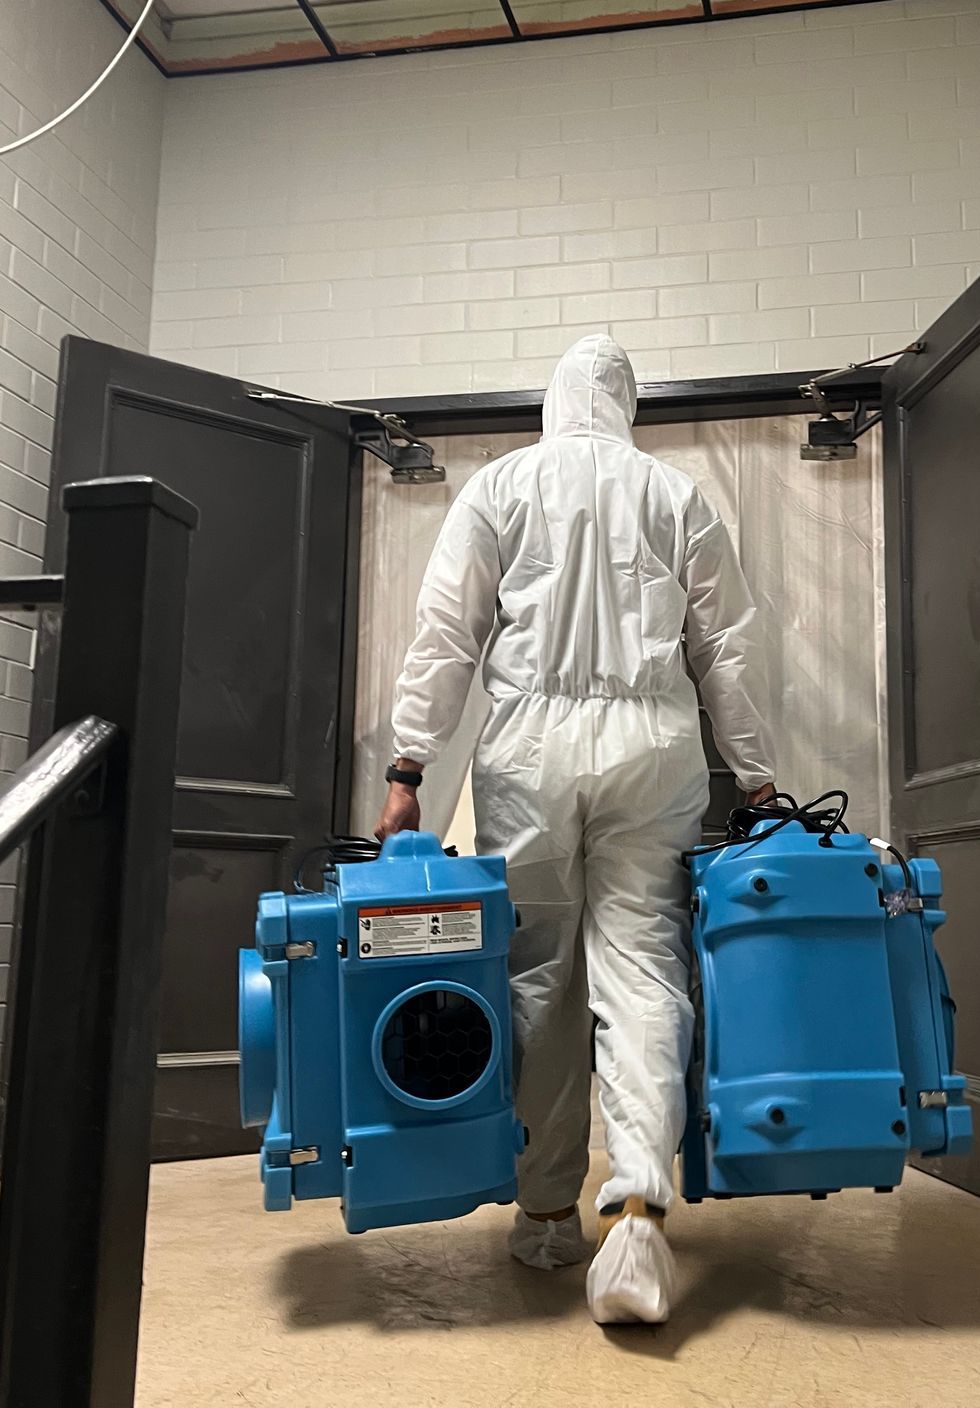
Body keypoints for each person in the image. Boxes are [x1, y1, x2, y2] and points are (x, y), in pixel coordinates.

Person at [376, 335, 775, 1325]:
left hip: (528, 753)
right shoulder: (677, 497)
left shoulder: (501, 484)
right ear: (626, 405)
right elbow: (727, 651)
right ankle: (639, 1209)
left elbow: (445, 633)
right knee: (644, 968)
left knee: (537, 977)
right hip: (654, 748)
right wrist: (762, 782)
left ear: (553, 400)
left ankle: (548, 1213)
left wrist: (407, 767)